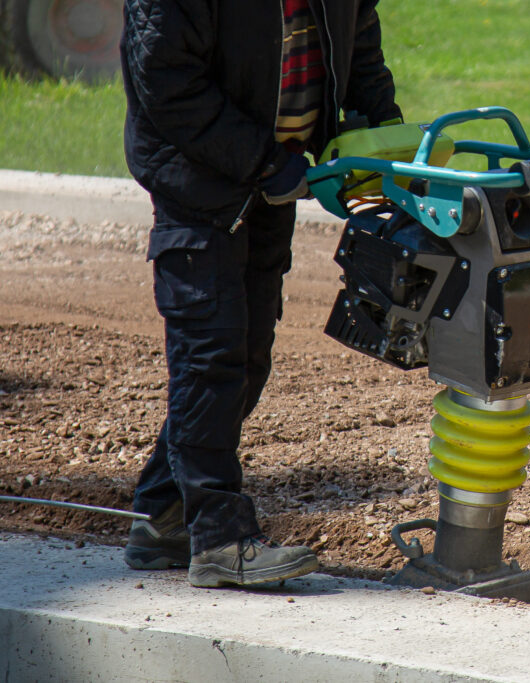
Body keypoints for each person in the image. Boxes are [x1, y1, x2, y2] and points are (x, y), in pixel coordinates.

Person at [119, 0, 402, 587]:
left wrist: (386, 134)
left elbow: (358, 38)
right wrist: (261, 160)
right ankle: (220, 540)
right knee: (211, 354)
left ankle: (162, 516)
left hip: (274, 177)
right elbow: (166, 82)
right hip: (199, 178)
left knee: (246, 359)